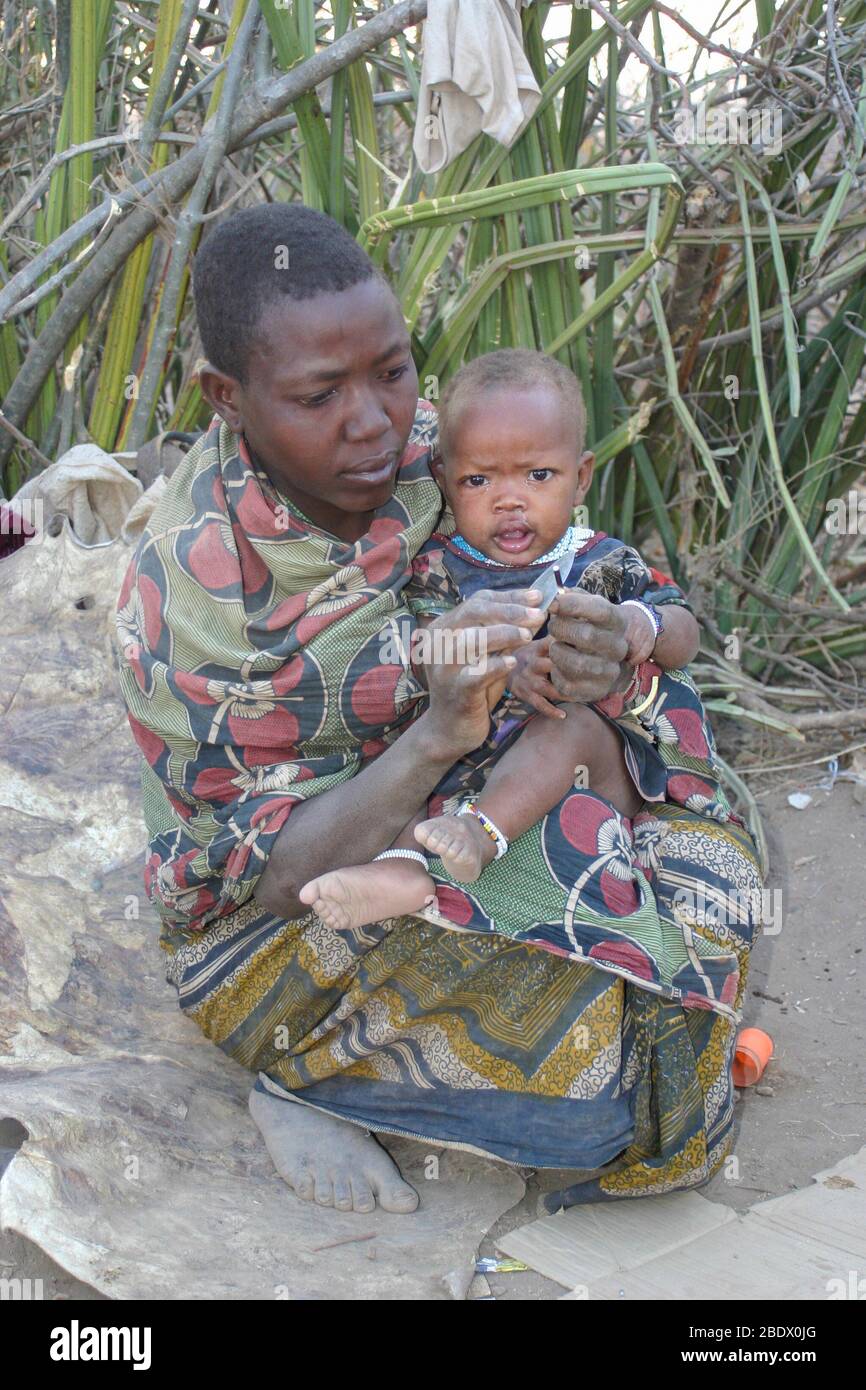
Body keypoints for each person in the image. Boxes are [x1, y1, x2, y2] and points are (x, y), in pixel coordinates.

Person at [116, 202, 763, 1217]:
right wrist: (436, 731)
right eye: (319, 393)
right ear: (226, 397)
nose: (374, 420)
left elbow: (611, 587)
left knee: (711, 874)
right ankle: (299, 1075)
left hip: (474, 806)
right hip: (286, 923)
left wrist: (593, 647)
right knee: (618, 1097)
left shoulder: (437, 450)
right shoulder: (190, 608)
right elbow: (279, 881)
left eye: (391, 368)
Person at [299, 348, 713, 935]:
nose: (509, 499)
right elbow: (419, 651)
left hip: (581, 766)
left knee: (564, 726)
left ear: (581, 477)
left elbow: (685, 632)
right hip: (467, 757)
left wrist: (635, 629)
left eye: (538, 475)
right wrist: (490, 666)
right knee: (397, 749)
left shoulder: (601, 562)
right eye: (478, 479)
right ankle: (401, 867)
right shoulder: (436, 569)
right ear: (443, 479)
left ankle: (483, 832)